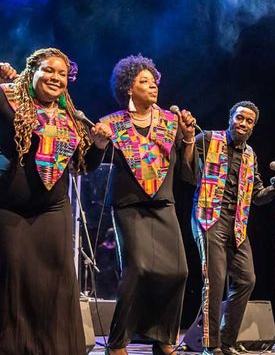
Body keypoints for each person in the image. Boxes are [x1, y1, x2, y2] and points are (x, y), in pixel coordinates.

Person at [0, 47, 106, 355]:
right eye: (49, 70)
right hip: (8, 205)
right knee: (12, 275)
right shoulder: (5, 97)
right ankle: (9, 349)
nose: (56, 78)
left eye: (62, 74)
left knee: (56, 277)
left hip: (53, 207)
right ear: (32, 71)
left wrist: (99, 146)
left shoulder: (71, 116)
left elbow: (84, 165)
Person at [91, 55, 197, 355]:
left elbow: (187, 171)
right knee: (138, 269)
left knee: (178, 271)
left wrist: (188, 139)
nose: (153, 87)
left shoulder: (170, 121)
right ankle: (118, 342)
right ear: (128, 87)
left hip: (164, 204)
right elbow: (91, 161)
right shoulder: (113, 124)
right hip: (129, 205)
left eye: (154, 82)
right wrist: (99, 143)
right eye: (144, 82)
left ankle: (163, 338)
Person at [190, 101, 275, 355]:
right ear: (230, 118)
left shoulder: (250, 155)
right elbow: (186, 164)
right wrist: (187, 138)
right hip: (208, 216)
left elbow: (256, 195)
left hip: (237, 223)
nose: (243, 124)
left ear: (253, 127)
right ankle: (211, 345)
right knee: (214, 281)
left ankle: (227, 340)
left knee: (247, 279)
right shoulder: (209, 139)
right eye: (240, 118)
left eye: (249, 121)